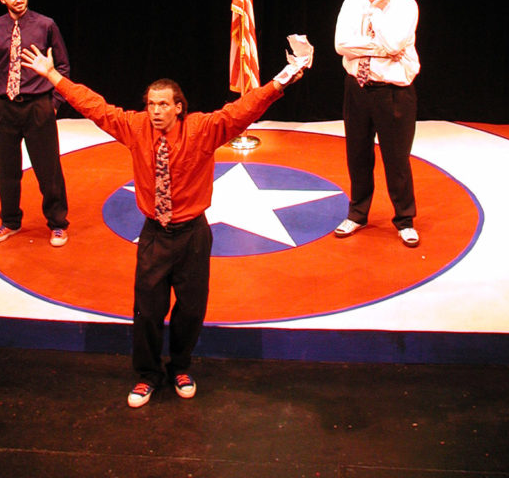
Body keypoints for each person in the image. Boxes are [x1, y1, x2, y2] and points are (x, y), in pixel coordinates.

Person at [20, 40, 311, 407]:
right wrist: (53, 77)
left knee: (191, 309)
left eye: (162, 105)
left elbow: (245, 109)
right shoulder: (134, 126)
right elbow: (95, 107)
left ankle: (181, 367)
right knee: (147, 311)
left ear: (178, 107)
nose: (155, 111)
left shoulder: (204, 129)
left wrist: (283, 80)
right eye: (150, 104)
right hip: (155, 235)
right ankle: (147, 375)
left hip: (192, 235)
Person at [334, 0, 421, 247]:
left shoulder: (406, 5)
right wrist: (380, 48)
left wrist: (376, 16)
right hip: (357, 88)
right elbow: (340, 45)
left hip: (393, 92)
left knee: (396, 159)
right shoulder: (352, 1)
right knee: (357, 155)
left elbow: (396, 43)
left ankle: (405, 220)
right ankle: (357, 214)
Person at [0, 0, 71, 247]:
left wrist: (53, 104)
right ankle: (10, 221)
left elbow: (63, 66)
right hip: (3, 109)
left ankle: (58, 224)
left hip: (37, 107)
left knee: (49, 170)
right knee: (6, 170)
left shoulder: (46, 25)